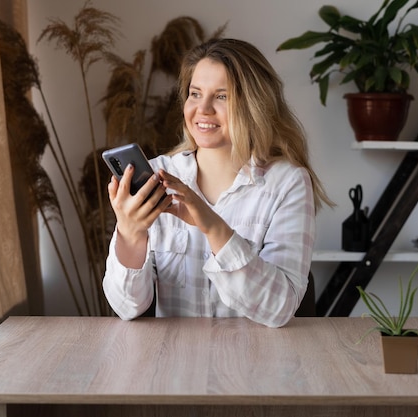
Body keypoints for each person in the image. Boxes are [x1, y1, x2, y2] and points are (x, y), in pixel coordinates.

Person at [102, 38, 332, 328]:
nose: (203, 109)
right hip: (173, 365)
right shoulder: (158, 174)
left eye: (221, 96)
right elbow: (127, 307)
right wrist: (130, 234)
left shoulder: (288, 183)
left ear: (253, 104)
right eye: (195, 93)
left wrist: (213, 228)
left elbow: (279, 308)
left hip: (255, 366)